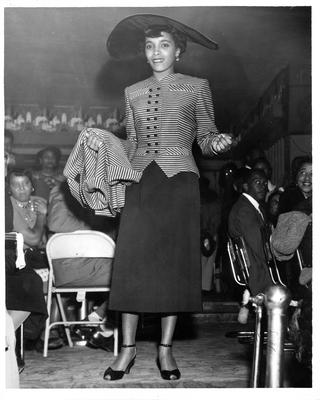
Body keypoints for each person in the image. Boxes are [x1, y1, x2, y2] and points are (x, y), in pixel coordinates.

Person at [84, 14, 232, 381]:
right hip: (140, 180)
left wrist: (218, 143)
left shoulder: (197, 87)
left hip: (179, 180)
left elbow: (206, 135)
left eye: (164, 45)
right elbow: (132, 142)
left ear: (178, 50)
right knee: (131, 265)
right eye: (150, 47)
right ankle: (127, 350)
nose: (156, 53)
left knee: (174, 267)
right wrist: (108, 155)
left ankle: (165, 351)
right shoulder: (132, 91)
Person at [47, 180, 119, 351]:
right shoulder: (63, 188)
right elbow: (56, 222)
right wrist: (97, 229)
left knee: (137, 271)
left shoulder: (100, 189)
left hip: (93, 263)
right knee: (135, 276)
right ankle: (100, 326)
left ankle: (95, 323)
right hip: (73, 267)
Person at [5, 168, 48, 364]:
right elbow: (34, 238)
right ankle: (21, 336)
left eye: (25, 183)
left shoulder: (37, 202)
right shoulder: (8, 206)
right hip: (16, 256)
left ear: (32, 186)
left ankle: (42, 335)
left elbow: (43, 240)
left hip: (37, 257)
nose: (21, 188)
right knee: (32, 283)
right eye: (15, 184)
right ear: (9, 189)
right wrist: (42, 217)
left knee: (52, 279)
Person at [228, 168, 273, 323]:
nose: (263, 186)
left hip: (259, 268)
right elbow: (262, 249)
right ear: (246, 187)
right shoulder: (245, 210)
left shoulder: (252, 207)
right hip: (259, 272)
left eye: (265, 183)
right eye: (257, 182)